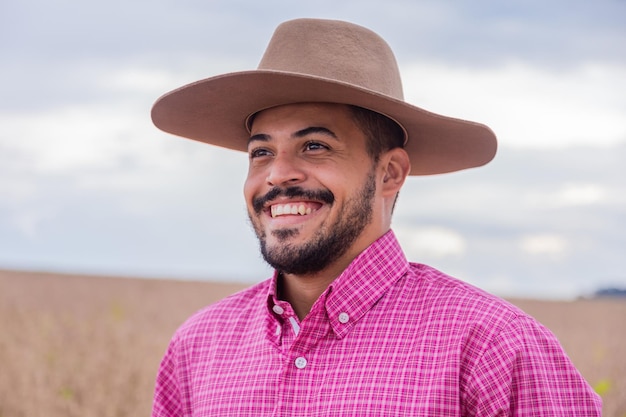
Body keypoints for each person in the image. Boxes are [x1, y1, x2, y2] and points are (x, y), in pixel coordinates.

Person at [150, 18, 601, 416]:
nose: (278, 175)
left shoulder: (493, 348)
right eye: (261, 152)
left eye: (314, 146)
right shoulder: (198, 347)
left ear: (390, 173)